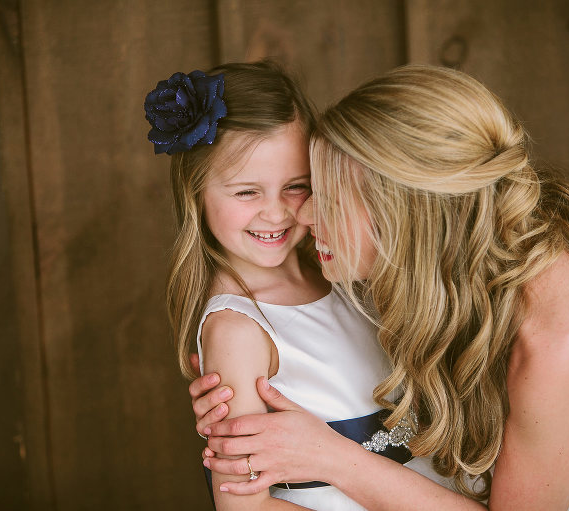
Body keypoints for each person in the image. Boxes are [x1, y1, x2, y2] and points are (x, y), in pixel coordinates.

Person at [188, 65, 569, 510]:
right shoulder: (434, 263)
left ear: (399, 218)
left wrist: (330, 456)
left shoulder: (551, 341)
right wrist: (240, 382)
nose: (303, 216)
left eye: (325, 199)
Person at [147, 60, 415, 511]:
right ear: (197, 193)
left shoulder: (345, 274)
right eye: (247, 192)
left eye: (296, 186)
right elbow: (243, 507)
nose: (277, 213)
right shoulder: (238, 330)